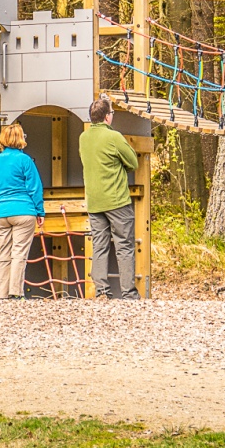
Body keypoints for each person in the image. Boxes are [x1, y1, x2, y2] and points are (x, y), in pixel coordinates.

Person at [79, 97, 140, 300]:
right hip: (116, 200)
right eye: (112, 112)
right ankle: (128, 292)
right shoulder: (114, 137)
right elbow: (132, 162)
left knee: (100, 245)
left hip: (94, 201)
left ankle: (102, 291)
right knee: (124, 245)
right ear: (107, 117)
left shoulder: (83, 138)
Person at [0, 123, 44, 299]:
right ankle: (16, 292)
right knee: (19, 252)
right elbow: (35, 187)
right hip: (23, 210)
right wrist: (40, 211)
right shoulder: (25, 160)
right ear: (21, 139)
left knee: (3, 252)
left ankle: (2, 294)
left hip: (1, 213)